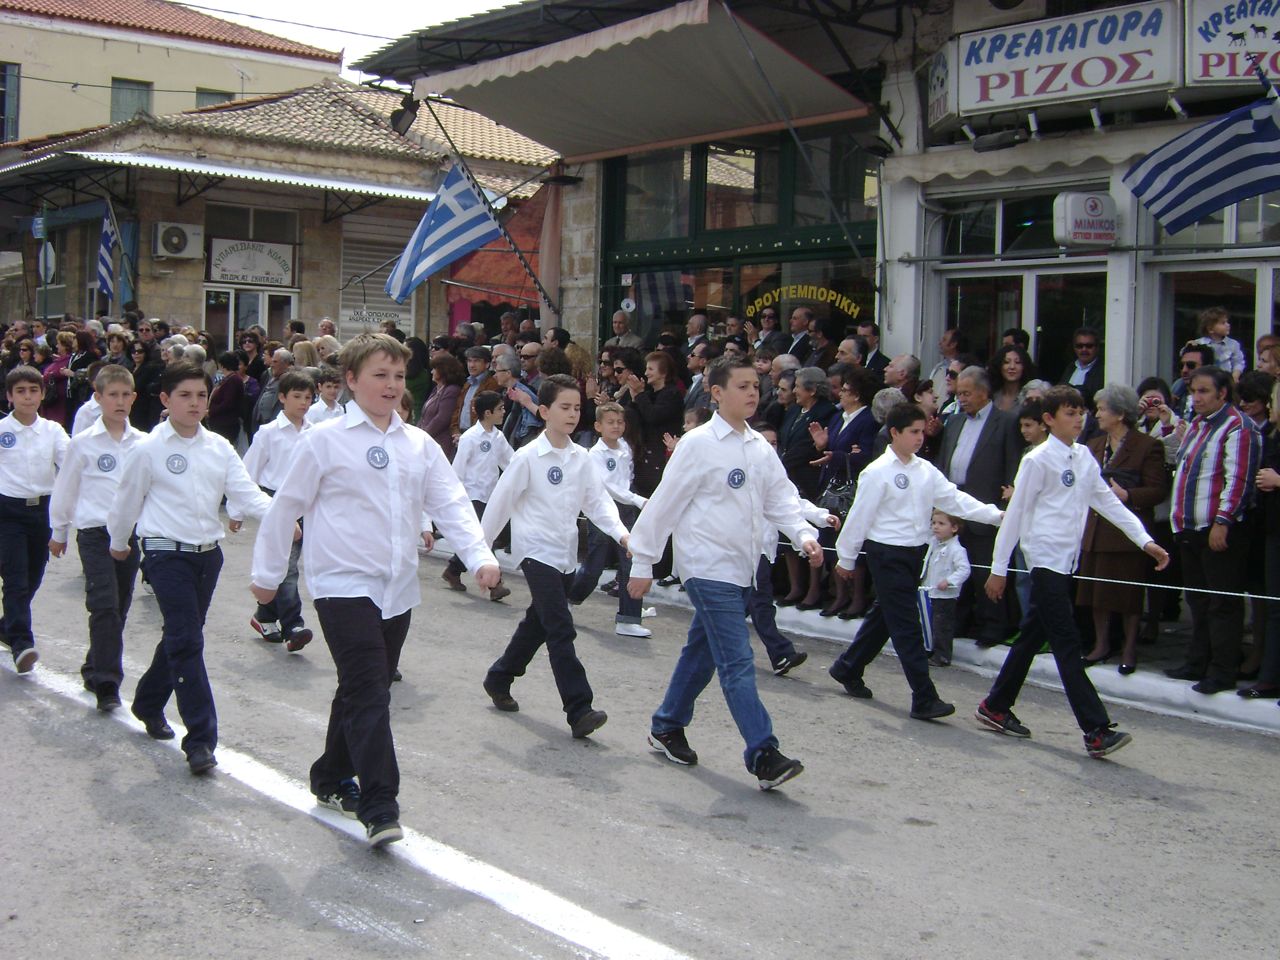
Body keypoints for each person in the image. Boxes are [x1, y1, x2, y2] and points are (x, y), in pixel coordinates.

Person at [251, 334, 499, 847]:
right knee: (369, 691)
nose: (390, 385)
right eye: (379, 375)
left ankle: (329, 775)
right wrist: (268, 578)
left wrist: (479, 556)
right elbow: (284, 508)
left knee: (363, 686)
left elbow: (450, 502)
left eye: (397, 376)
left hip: (397, 588)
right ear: (351, 379)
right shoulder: (323, 441)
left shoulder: (418, 444)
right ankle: (380, 803)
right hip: (341, 584)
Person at [628, 355, 820, 790]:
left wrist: (803, 534)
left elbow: (781, 499)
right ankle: (763, 754)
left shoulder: (758, 447)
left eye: (756, 385)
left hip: (743, 569)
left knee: (702, 651)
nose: (753, 393)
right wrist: (642, 562)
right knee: (737, 660)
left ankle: (666, 725)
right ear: (716, 393)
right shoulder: (697, 444)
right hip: (706, 566)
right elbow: (664, 504)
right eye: (742, 386)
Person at [977, 385, 1168, 757]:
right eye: (1070, 413)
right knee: (1067, 643)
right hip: (1043, 561)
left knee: (1032, 636)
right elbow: (1015, 515)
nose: (1079, 419)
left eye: (1081, 412)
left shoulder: (1083, 457)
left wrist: (1145, 541)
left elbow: (1109, 504)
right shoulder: (1037, 460)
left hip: (1066, 562)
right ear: (1049, 419)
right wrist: (999, 568)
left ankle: (995, 705)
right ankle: (1095, 729)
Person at [107, 362, 272, 775]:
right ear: (165, 399)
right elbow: (126, 501)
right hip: (165, 553)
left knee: (182, 636)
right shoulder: (147, 449)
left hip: (207, 555)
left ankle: (148, 701)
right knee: (187, 640)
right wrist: (119, 543)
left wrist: (284, 519)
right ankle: (200, 739)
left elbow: (247, 494)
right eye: (185, 395)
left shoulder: (219, 447)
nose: (195, 403)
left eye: (201, 395)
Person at [828, 404, 1004, 719]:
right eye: (913, 432)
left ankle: (848, 666)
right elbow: (859, 516)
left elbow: (954, 499)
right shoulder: (877, 472)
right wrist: (847, 556)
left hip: (914, 553)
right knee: (907, 626)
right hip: (887, 553)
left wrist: (994, 515)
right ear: (895, 433)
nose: (920, 438)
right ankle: (924, 697)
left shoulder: (925, 470)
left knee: (886, 616)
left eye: (922, 432)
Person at [480, 374, 626, 739]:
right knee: (561, 628)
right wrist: (481, 554)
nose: (572, 414)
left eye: (577, 408)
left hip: (564, 553)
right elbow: (500, 505)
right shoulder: (528, 457)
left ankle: (499, 677)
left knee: (539, 624)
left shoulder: (582, 458)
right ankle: (579, 709)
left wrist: (622, 534)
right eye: (564, 407)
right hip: (535, 552)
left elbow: (597, 503)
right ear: (544, 411)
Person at [47, 366, 143, 709]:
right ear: (98, 398)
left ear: (134, 397)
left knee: (120, 605)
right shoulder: (83, 443)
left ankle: (94, 666)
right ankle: (107, 683)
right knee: (103, 603)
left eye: (125, 395)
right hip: (94, 533)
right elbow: (66, 487)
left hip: (129, 534)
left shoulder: (143, 443)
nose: (120, 401)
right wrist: (59, 530)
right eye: (112, 395)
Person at [1164, 365, 1260, 694]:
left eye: (1204, 391)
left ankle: (1222, 671)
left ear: (1222, 393)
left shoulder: (1239, 427)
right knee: (1198, 601)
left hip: (1218, 528)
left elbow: (1239, 480)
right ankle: (1197, 661)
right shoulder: (1197, 425)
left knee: (1222, 604)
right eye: (1193, 391)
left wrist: (1223, 521)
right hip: (1190, 526)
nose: (1197, 397)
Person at [1077, 384, 1170, 674]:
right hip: (1094, 529)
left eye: (1102, 409)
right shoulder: (1093, 445)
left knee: (1128, 595)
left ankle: (1129, 647)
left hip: (1127, 532)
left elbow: (1158, 489)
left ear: (1119, 414)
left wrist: (1127, 495)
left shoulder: (1147, 445)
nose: (1097, 415)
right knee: (1096, 592)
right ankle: (1101, 644)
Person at [937, 366, 1022, 646]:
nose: (961, 398)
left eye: (967, 393)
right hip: (953, 507)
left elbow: (1012, 464)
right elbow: (945, 460)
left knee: (985, 569)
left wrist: (1005, 505)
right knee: (953, 566)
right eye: (959, 393)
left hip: (986, 507)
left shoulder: (1006, 422)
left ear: (984, 393)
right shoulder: (954, 421)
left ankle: (992, 627)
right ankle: (959, 622)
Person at [238, 369, 317, 653]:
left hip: (306, 502)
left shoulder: (316, 432)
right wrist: (237, 511)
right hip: (276, 501)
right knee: (287, 565)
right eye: (297, 396)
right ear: (282, 397)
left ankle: (264, 615)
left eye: (308, 397)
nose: (303, 403)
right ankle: (293, 624)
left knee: (284, 563)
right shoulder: (269, 433)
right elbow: (248, 471)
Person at [0, 364, 69, 672]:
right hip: (7, 512)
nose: (27, 397)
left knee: (34, 575)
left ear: (42, 394)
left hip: (43, 511)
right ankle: (21, 642)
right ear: (9, 396)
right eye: (20, 391)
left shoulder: (53, 431)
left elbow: (70, 466)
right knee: (15, 577)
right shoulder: (2, 431)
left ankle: (7, 625)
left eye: (33, 390)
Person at [566, 401, 649, 637]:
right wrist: (637, 499)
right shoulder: (595, 454)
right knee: (594, 565)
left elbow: (627, 478)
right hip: (602, 510)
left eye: (620, 422)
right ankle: (570, 598)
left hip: (626, 510)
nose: (616, 426)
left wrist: (632, 500)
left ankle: (628, 618)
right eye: (610, 422)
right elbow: (608, 486)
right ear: (598, 426)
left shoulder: (625, 447)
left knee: (631, 561)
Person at [808, 367, 878, 617]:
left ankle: (857, 597)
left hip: (852, 490)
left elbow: (866, 455)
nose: (841, 394)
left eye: (846, 390)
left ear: (857, 395)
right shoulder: (839, 417)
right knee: (830, 540)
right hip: (831, 487)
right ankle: (839, 595)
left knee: (852, 543)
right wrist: (823, 445)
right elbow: (838, 449)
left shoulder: (868, 420)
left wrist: (837, 455)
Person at [442, 391, 513, 601]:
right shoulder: (470, 437)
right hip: (472, 495)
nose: (503, 412)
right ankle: (495, 585)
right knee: (483, 538)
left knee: (479, 538)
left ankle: (453, 569)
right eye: (500, 409)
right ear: (488, 413)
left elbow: (510, 462)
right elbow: (458, 469)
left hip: (490, 495)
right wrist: (454, 497)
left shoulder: (498, 437)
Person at [923, 511, 968, 668]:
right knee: (930, 623)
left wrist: (949, 581)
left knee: (942, 626)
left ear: (954, 528)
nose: (936, 527)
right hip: (930, 591)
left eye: (941, 524)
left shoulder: (957, 550)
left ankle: (942, 655)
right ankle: (930, 649)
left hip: (945, 595)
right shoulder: (934, 543)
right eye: (934, 523)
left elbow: (964, 570)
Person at [418, 353, 464, 460]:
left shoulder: (451, 390)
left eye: (434, 369)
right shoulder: (436, 389)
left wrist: (424, 435)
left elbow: (442, 418)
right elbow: (424, 415)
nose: (431, 372)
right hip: (427, 441)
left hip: (440, 444)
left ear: (443, 370)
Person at [1192, 306, 1245, 381]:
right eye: (1223, 323)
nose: (1228, 325)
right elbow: (1185, 355)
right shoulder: (1199, 343)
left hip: (1225, 379)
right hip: (1203, 379)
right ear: (1210, 329)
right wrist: (1189, 345)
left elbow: (1238, 362)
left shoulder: (1233, 344)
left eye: (1227, 322)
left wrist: (1235, 377)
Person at [1058, 327, 1104, 409]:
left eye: (1089, 346)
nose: (1084, 349)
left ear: (1097, 347)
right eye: (1079, 346)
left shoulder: (1103, 370)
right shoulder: (1071, 368)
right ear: (1074, 347)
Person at [207, 351, 245, 445]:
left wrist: (211, 411)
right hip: (220, 423)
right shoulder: (227, 379)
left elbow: (227, 402)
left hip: (226, 424)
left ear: (222, 365)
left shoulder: (234, 380)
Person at [989, 344, 1035, 413]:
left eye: (1017, 362)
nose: (1012, 367)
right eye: (1006, 362)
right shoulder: (991, 396)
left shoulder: (1030, 397)